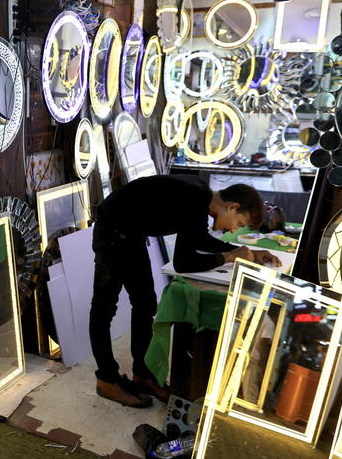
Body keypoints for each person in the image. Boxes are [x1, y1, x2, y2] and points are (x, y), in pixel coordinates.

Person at [89, 175, 280, 408]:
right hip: (112, 228)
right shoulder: (196, 197)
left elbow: (199, 239)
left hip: (131, 232)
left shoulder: (200, 198)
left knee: (145, 303)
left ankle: (143, 374)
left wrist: (243, 250)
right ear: (233, 207)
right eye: (238, 223)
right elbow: (183, 263)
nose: (233, 229)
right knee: (104, 307)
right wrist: (229, 257)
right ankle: (107, 379)